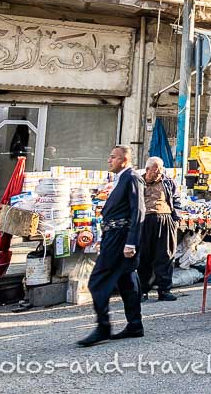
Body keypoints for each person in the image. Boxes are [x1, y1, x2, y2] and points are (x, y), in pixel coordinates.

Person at [78, 145, 144, 346]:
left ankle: (103, 327)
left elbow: (138, 211)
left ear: (124, 160)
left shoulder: (131, 177)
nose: (109, 160)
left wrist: (131, 242)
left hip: (120, 238)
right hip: (112, 235)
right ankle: (135, 325)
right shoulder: (119, 179)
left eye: (113, 157)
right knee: (127, 281)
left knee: (97, 281)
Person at [137, 156, 182, 302]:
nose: (159, 172)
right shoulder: (138, 182)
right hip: (144, 221)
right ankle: (143, 290)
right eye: (156, 170)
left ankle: (164, 290)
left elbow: (176, 199)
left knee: (165, 256)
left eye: (161, 169)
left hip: (165, 219)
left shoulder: (168, 182)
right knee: (144, 257)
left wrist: (176, 218)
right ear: (147, 169)